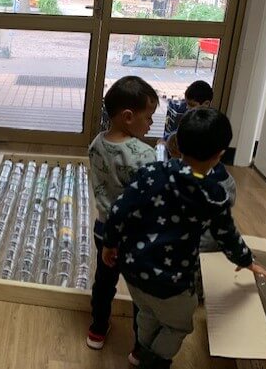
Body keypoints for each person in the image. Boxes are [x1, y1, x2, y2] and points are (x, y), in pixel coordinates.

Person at [101, 108, 266, 369]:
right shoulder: (214, 194)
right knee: (178, 326)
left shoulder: (152, 172)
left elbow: (118, 209)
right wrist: (247, 260)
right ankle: (152, 363)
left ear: (177, 144)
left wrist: (109, 243)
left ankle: (140, 354)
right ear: (220, 155)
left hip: (134, 268)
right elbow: (227, 236)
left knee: (146, 312)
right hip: (173, 281)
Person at [86, 76, 159, 366]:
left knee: (104, 282)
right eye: (149, 117)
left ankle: (97, 328)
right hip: (135, 235)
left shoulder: (96, 143)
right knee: (141, 291)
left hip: (104, 229)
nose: (151, 124)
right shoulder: (144, 154)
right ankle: (140, 347)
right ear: (128, 117)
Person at [163, 81, 214, 158]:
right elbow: (177, 132)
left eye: (192, 105)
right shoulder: (188, 116)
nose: (187, 107)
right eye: (186, 104)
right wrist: (165, 139)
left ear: (206, 104)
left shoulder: (210, 124)